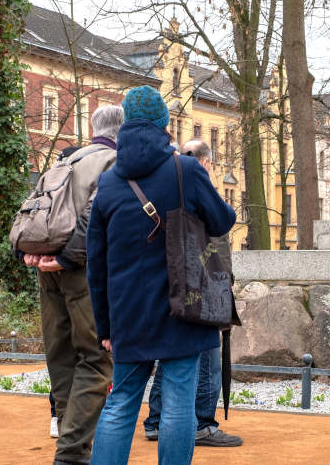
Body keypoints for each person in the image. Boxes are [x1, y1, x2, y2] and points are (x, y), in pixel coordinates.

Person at [86, 86, 236, 465]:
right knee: (178, 404)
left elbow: (96, 262)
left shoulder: (108, 182)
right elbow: (223, 221)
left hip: (128, 313)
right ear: (164, 124)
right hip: (182, 304)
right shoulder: (184, 169)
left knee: (120, 401)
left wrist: (105, 326)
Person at [21, 106, 123, 465]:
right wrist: (68, 256)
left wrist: (35, 253)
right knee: (95, 359)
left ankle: (69, 434)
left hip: (46, 267)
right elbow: (96, 215)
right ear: (121, 132)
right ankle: (72, 453)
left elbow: (34, 210)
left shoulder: (65, 160)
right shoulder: (113, 162)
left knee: (60, 355)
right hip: (82, 269)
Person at [143, 140, 241, 447]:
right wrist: (225, 284)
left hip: (174, 283)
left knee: (171, 354)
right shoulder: (202, 189)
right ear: (207, 163)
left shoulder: (165, 186)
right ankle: (202, 423)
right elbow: (220, 235)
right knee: (209, 353)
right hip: (205, 283)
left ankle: (156, 420)